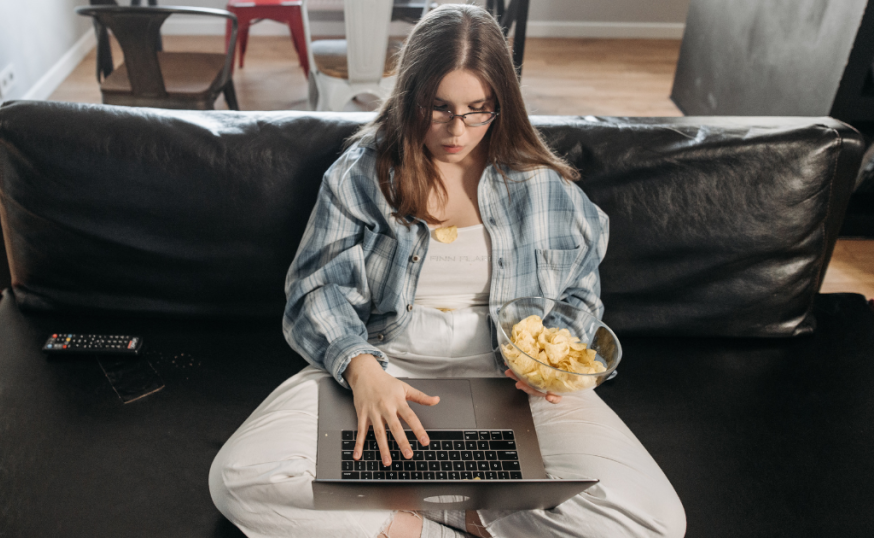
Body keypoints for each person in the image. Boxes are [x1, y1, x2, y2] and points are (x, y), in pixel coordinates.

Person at [210, 4, 686, 537]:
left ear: (501, 104)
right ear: (409, 97)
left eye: (477, 109)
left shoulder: (544, 187)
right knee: (239, 478)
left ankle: (456, 516)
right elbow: (314, 291)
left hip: (508, 383)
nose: (456, 130)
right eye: (437, 108)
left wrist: (550, 360)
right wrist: (362, 370)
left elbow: (579, 294)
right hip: (384, 369)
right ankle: (415, 521)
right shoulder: (360, 175)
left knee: (656, 522)